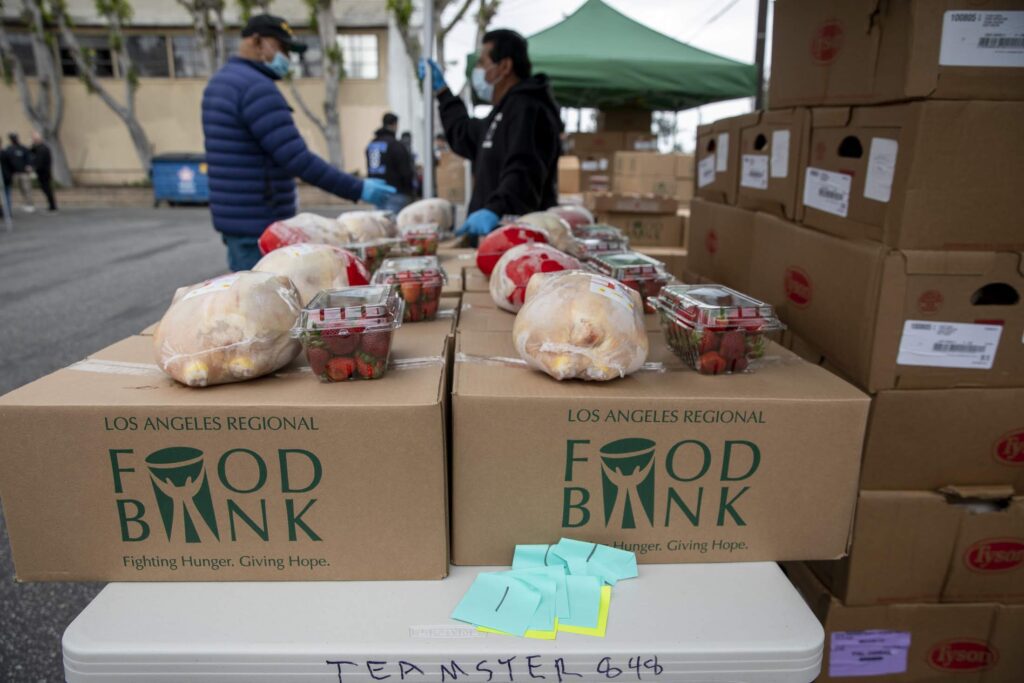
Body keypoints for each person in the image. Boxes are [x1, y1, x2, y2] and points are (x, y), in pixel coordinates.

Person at [202, 14, 395, 271]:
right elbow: (297, 159)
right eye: (281, 48)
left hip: (237, 222)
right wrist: (358, 189)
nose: (287, 58)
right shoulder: (255, 88)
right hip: (261, 225)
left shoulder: (221, 83)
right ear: (258, 42)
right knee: (271, 301)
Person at [419, 29, 561, 238]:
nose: (478, 70)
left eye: (482, 63)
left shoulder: (528, 108)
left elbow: (524, 168)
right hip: (492, 238)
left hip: (518, 239)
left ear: (504, 66)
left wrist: (495, 209)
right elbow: (464, 134)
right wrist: (443, 93)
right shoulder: (499, 113)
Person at [365, 112, 415, 212]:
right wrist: (411, 191)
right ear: (394, 124)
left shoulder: (372, 144)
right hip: (396, 192)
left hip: (377, 192)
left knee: (380, 224)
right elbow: (406, 171)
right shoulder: (395, 145)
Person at [4, 133, 35, 212]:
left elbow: (29, 157)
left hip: (23, 173)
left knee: (26, 188)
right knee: (19, 189)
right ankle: (24, 203)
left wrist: (29, 165)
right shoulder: (9, 149)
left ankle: (30, 204)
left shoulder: (23, 148)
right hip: (14, 173)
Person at [29, 132, 57, 212]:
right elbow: (31, 151)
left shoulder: (43, 149)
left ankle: (52, 206)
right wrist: (32, 144)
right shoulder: (38, 148)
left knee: (47, 189)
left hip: (44, 172)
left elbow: (40, 161)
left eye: (34, 139)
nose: (33, 141)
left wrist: (34, 168)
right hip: (42, 172)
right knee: (45, 188)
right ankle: (51, 205)